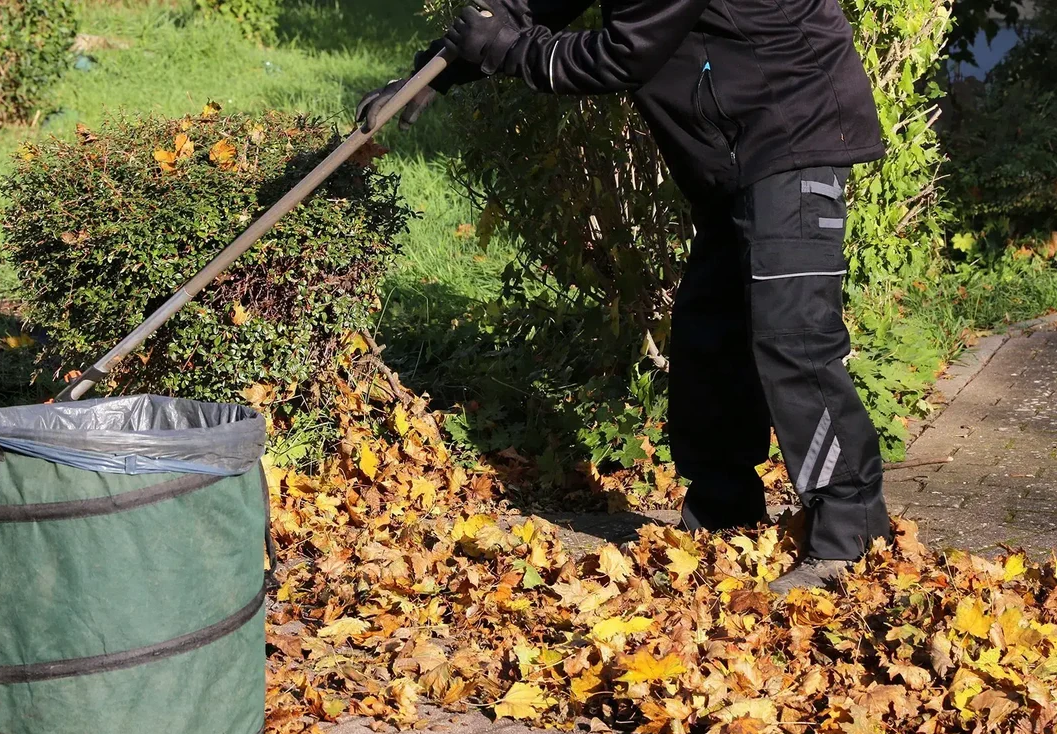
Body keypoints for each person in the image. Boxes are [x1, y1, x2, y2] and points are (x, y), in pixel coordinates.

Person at [357, 0, 890, 592]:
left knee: (793, 338)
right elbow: (535, 2)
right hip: (732, 155)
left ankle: (849, 537)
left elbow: (625, 54)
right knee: (710, 333)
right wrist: (438, 69)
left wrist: (505, 49)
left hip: (793, 130)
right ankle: (724, 517)